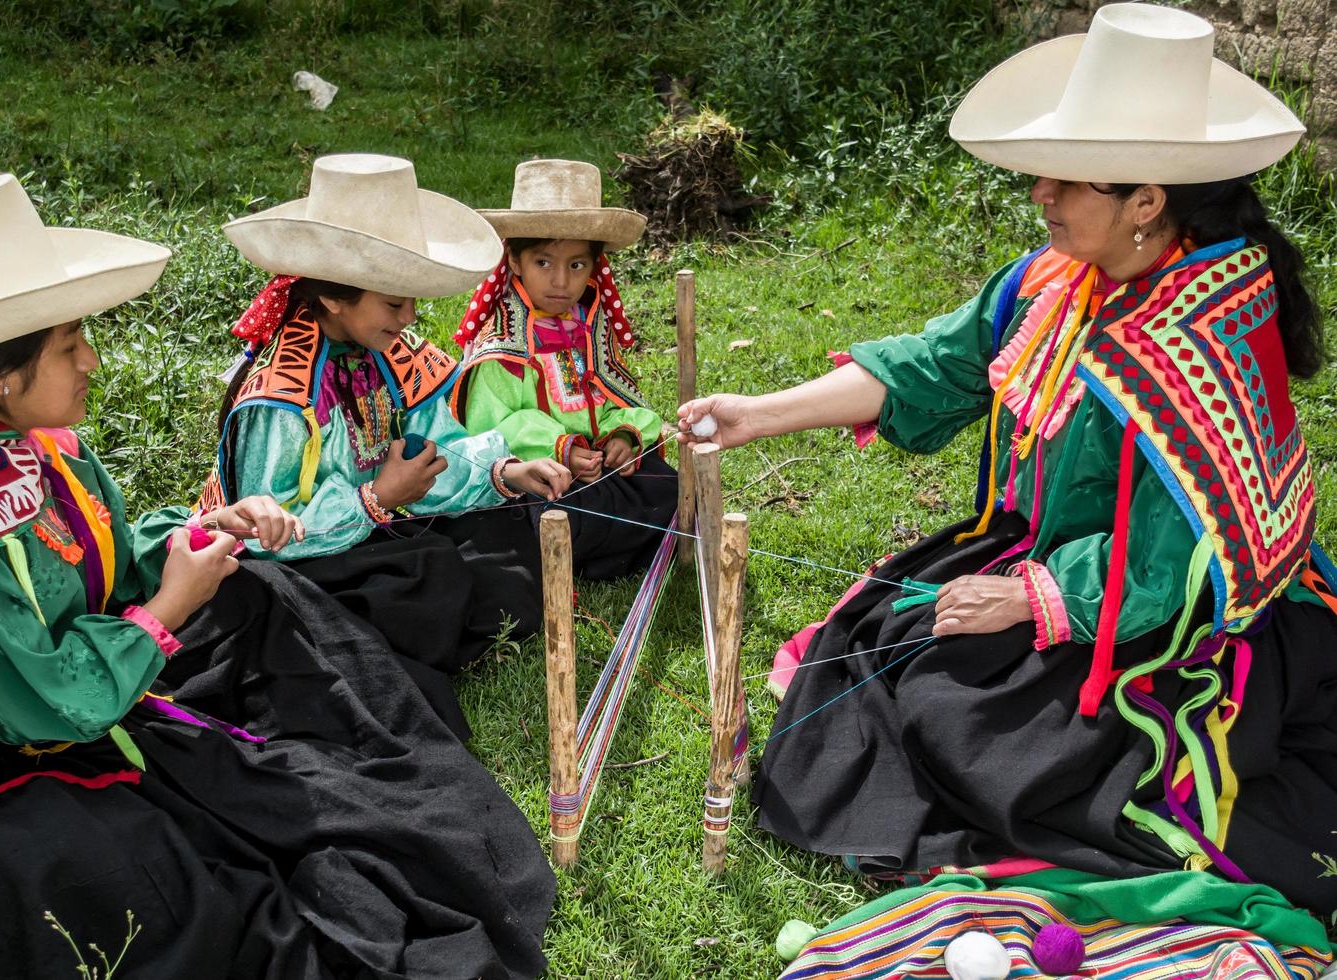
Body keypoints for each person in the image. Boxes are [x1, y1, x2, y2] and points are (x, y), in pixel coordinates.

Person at [0, 173, 555, 978]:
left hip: (66, 694)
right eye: (68, 345)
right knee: (152, 884)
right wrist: (168, 606)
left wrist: (203, 530)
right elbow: (51, 709)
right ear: (1, 375)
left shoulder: (31, 442)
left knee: (267, 610)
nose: (92, 360)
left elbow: (105, 549)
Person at [681, 3, 1337, 913]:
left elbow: (1182, 554)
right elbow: (941, 363)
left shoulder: (1201, 343)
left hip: (1160, 616)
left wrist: (1029, 598)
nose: (1040, 195)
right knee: (887, 639)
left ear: (1146, 202)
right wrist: (761, 413)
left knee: (958, 722)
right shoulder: (1055, 281)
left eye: (1064, 182)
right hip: (1058, 556)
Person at [201, 153, 571, 676]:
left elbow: (434, 445)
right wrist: (376, 499)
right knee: (430, 576)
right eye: (395, 303)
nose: (410, 318)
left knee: (506, 540)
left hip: (377, 530)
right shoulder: (281, 396)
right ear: (332, 296)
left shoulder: (391, 353)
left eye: (412, 303)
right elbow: (267, 532)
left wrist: (504, 471)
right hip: (308, 557)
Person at [452, 159, 678, 579]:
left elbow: (612, 396)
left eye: (576, 265)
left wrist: (623, 436)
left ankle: (598, 554)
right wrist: (561, 447)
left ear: (594, 267)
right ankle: (601, 553)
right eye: (544, 263)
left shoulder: (591, 327)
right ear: (515, 260)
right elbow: (490, 427)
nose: (561, 282)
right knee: (546, 515)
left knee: (668, 486)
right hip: (539, 476)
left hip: (595, 469)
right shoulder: (503, 341)